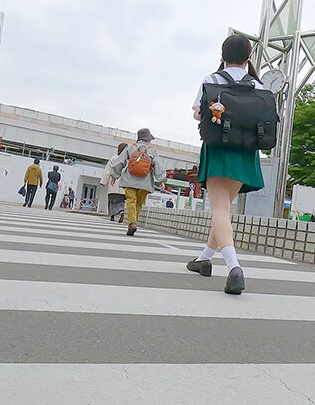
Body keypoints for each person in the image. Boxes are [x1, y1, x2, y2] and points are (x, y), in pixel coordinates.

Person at [185, 34, 266, 295]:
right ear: (248, 56)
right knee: (224, 211)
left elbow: (198, 112)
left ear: (222, 54)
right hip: (246, 152)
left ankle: (234, 268)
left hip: (219, 147)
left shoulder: (212, 79)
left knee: (219, 210)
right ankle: (204, 259)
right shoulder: (257, 84)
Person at [111, 128, 166, 236]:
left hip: (129, 179)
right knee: (139, 203)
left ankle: (132, 223)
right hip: (145, 182)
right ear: (148, 139)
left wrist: (114, 175)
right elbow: (158, 166)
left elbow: (120, 162)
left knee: (131, 201)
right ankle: (133, 222)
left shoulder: (130, 148)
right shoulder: (152, 151)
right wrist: (162, 180)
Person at [101, 143, 128, 222]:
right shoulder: (128, 160)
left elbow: (107, 171)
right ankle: (121, 211)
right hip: (124, 184)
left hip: (114, 183)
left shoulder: (113, 158)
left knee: (112, 200)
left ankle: (112, 216)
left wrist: (103, 181)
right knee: (121, 201)